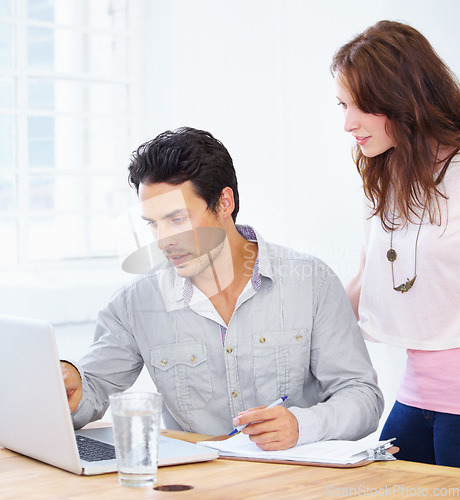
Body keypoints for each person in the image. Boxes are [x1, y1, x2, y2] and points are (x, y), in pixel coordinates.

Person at [61, 126, 383, 451]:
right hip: (196, 485)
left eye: (177, 220)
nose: (163, 241)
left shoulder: (311, 282)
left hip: (292, 480)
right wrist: (71, 384)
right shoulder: (135, 303)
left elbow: (363, 396)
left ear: (224, 202)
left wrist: (303, 425)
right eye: (153, 224)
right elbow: (92, 389)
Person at [331, 20, 460, 466]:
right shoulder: (388, 178)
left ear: (403, 100)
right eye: (342, 105)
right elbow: (368, 278)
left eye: (359, 106)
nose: (348, 123)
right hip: (416, 398)